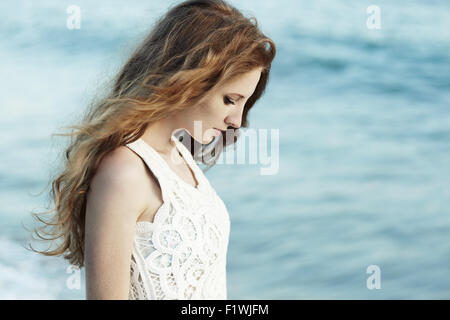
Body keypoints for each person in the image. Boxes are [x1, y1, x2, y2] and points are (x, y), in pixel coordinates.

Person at [29, 0, 276, 300]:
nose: (236, 120)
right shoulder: (124, 171)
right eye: (230, 99)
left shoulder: (178, 156)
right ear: (191, 77)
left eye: (243, 103)